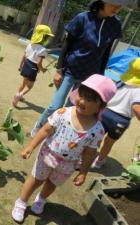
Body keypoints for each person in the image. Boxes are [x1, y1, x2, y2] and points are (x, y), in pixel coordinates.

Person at [11, 74, 116, 223]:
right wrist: (30, 146)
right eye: (81, 94)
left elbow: (89, 153)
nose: (82, 101)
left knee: (52, 183)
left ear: (101, 106)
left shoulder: (97, 130)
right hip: (48, 153)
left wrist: (84, 172)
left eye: (90, 99)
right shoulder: (63, 113)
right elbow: (46, 130)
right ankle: (21, 201)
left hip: (69, 164)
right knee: (36, 179)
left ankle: (41, 199)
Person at [30, 0, 127, 137]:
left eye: (120, 4)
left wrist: (99, 77)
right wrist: (59, 69)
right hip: (71, 71)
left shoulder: (115, 25)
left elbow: (106, 53)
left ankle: (60, 135)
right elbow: (67, 45)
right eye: (114, 3)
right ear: (101, 2)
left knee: (73, 110)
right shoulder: (83, 18)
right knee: (55, 106)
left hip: (90, 78)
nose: (118, 7)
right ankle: (40, 127)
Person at [92, 58, 140, 168]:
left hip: (105, 113)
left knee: (95, 137)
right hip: (120, 120)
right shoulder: (139, 90)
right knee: (109, 142)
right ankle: (99, 162)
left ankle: (85, 157)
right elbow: (136, 107)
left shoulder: (121, 82)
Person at [12, 25, 54, 107]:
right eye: (48, 37)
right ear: (44, 38)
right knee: (29, 85)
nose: (48, 39)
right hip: (33, 68)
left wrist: (20, 66)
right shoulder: (42, 49)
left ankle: (18, 94)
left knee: (24, 82)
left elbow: (24, 56)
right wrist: (42, 69)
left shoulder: (30, 45)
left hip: (26, 65)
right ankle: (19, 95)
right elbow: (38, 63)